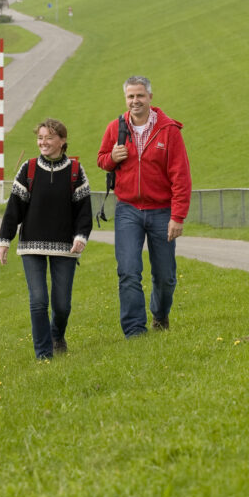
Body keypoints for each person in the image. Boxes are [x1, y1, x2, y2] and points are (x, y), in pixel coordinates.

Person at [97, 76, 191, 338]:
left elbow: (181, 176)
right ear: (125, 99)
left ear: (150, 97)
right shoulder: (115, 128)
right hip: (127, 209)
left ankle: (160, 316)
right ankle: (135, 331)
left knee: (165, 277)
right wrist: (111, 158)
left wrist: (178, 216)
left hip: (162, 211)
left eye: (140, 96)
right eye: (130, 97)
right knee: (128, 271)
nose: (135, 101)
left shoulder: (168, 130)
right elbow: (101, 159)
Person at [0, 118, 93, 360]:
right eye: (40, 138)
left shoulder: (75, 171)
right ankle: (43, 354)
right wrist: (4, 240)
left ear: (62, 141)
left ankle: (57, 335)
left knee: (61, 305)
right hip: (31, 245)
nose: (43, 142)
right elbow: (14, 209)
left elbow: (83, 211)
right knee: (38, 301)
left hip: (65, 246)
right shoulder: (28, 169)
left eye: (49, 138)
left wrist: (81, 237)